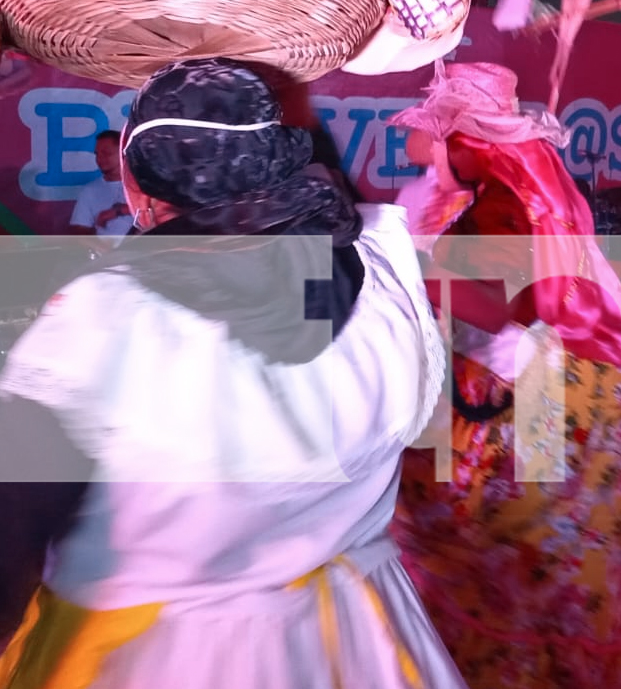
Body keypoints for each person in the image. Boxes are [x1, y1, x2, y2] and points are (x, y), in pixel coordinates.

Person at [0, 58, 463, 688]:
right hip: (354, 641)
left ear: (140, 189)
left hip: (159, 659)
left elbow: (11, 533)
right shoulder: (382, 266)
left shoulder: (102, 322)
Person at [389, 62, 621, 687]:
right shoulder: (516, 195)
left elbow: (510, 312)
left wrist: (413, 270)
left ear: (467, 142)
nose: (425, 149)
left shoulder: (509, 204)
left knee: (475, 553)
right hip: (578, 403)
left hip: (545, 415)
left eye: (439, 135)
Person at [68, 130, 134, 242]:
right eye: (97, 154)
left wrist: (118, 211)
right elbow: (79, 229)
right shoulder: (90, 190)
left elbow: (159, 211)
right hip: (106, 256)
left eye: (106, 153)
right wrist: (99, 247)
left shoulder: (143, 185)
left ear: (123, 152)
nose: (100, 159)